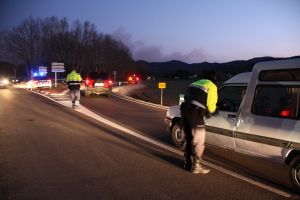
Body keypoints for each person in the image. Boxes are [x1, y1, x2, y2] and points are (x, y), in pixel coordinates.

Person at [180, 70, 218, 174]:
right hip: (195, 114)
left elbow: (185, 98)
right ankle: (196, 166)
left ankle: (187, 163)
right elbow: (211, 107)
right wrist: (214, 110)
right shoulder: (212, 86)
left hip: (184, 111)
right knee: (198, 139)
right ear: (213, 79)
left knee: (188, 137)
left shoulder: (193, 84)